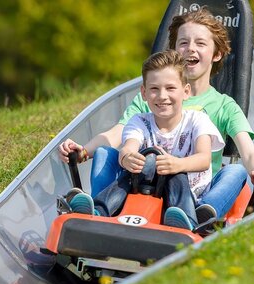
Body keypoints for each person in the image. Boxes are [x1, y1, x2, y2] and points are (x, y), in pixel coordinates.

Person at [58, 8, 254, 224]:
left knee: (236, 171)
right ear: (174, 50)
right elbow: (119, 132)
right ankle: (98, 210)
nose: (190, 49)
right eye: (183, 43)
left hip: (195, 185)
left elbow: (248, 152)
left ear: (216, 54)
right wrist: (85, 151)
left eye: (200, 43)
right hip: (145, 180)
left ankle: (199, 214)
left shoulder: (224, 106)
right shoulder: (153, 97)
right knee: (106, 152)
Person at [68, 50, 224, 230]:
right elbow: (129, 147)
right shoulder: (139, 121)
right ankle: (98, 211)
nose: (162, 96)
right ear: (144, 93)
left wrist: (176, 164)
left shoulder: (198, 120)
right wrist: (127, 158)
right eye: (154, 89)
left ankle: (186, 219)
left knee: (172, 169)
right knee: (137, 167)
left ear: (185, 91)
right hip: (145, 190)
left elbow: (204, 159)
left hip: (187, 194)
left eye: (170, 88)